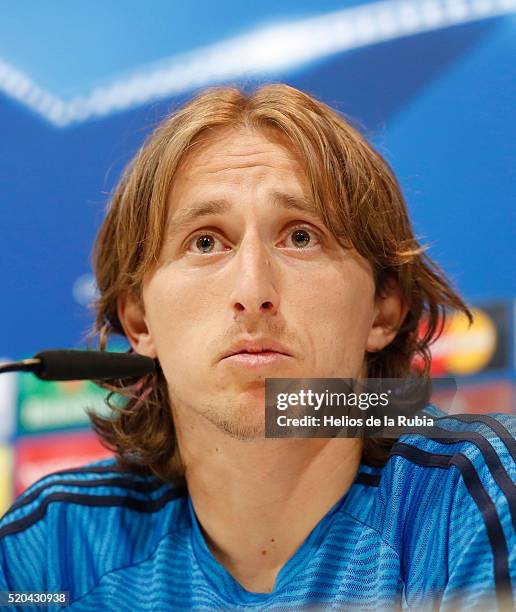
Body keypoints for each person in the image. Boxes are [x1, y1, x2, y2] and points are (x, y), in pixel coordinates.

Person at [0, 84, 514, 611]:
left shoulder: (480, 501)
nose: (253, 292)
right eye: (205, 242)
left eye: (300, 237)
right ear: (139, 321)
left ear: (383, 310)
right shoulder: (51, 550)